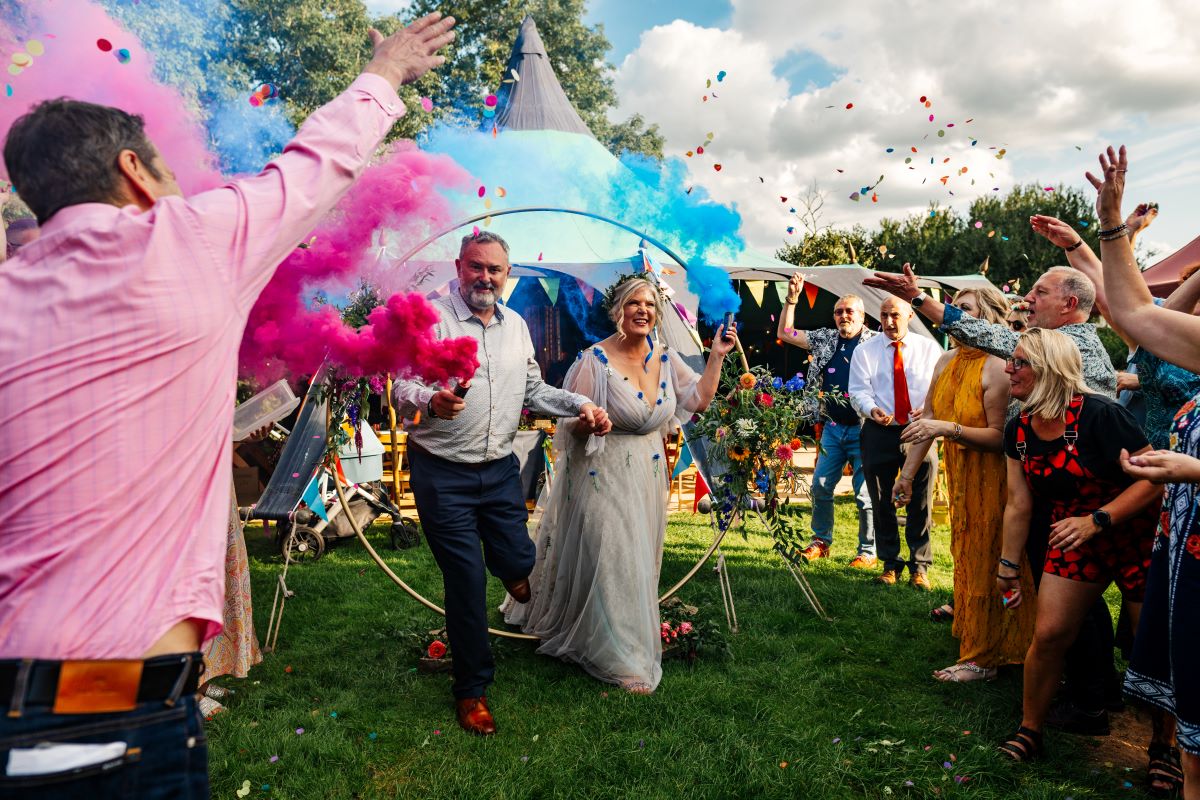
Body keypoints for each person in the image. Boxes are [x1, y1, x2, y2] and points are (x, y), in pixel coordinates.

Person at [0, 14, 456, 796]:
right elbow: (315, 163)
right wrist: (387, 69)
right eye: (170, 171)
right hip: (109, 714)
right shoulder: (189, 240)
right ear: (135, 170)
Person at [865, 262, 1123, 733]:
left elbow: (1005, 344)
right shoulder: (1046, 343)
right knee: (1068, 591)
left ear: (1069, 304)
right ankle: (1095, 687)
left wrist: (922, 300)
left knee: (1074, 595)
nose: (1027, 299)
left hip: (1079, 496)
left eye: (1040, 292)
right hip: (1054, 487)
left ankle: (1090, 699)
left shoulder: (1074, 343)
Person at [392, 230, 612, 736]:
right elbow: (404, 382)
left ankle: (509, 566)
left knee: (519, 559)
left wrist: (580, 404)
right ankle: (472, 691)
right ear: (459, 266)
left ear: (507, 275)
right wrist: (431, 401)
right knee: (466, 582)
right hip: (442, 473)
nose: (485, 277)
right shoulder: (433, 319)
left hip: (498, 470)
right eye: (476, 266)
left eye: (495, 269)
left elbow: (533, 388)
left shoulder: (516, 325)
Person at [505, 275, 734, 694]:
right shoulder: (595, 360)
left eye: (649, 303)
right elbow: (570, 427)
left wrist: (716, 356)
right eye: (633, 304)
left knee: (638, 560)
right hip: (600, 470)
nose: (642, 310)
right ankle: (621, 656)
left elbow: (698, 400)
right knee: (612, 557)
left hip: (647, 475)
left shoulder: (666, 359)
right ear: (618, 312)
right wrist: (589, 422)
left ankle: (611, 629)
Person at [994, 328, 1160, 763]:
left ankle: (1166, 748)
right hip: (1076, 537)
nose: (1008, 368)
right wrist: (1008, 565)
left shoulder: (1103, 416)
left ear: (1049, 368)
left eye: (1019, 361)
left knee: (1151, 646)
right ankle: (1030, 729)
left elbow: (1153, 482)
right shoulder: (1019, 428)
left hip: (1135, 536)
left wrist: (1098, 520)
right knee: (1048, 636)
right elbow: (1018, 503)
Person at [1092, 144, 1200, 797]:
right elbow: (1136, 314)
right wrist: (1111, 229)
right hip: (1189, 552)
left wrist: (1195, 468)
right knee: (1197, 749)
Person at [895, 286, 1036, 681]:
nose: (953, 313)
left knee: (991, 556)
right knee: (967, 553)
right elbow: (927, 422)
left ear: (987, 317)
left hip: (996, 477)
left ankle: (986, 657)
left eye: (965, 308)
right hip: (960, 475)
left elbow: (998, 438)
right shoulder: (945, 360)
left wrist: (947, 428)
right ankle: (976, 633)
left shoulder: (997, 365)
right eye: (953, 306)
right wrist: (907, 475)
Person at [776, 272, 877, 567]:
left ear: (862, 317)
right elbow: (786, 333)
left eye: (849, 311)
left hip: (865, 428)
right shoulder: (826, 339)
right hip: (832, 428)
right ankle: (821, 541)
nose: (843, 315)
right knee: (820, 486)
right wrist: (792, 299)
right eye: (838, 311)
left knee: (864, 495)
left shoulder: (875, 342)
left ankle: (867, 552)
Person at [847, 296, 943, 588]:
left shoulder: (930, 349)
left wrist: (928, 406)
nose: (889, 322)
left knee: (921, 500)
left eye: (895, 315)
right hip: (879, 431)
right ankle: (890, 564)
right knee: (881, 499)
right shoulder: (865, 351)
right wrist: (870, 408)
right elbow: (857, 390)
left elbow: (940, 387)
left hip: (920, 431)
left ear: (910, 315)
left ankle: (920, 567)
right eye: (884, 315)